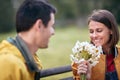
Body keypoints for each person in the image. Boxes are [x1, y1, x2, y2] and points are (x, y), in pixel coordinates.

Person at [0, 0, 56, 80]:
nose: (53, 32)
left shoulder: (29, 60)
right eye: (51, 26)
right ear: (39, 25)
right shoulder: (8, 64)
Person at [72, 9, 120, 80]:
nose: (94, 36)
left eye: (99, 30)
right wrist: (85, 78)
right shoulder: (83, 58)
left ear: (111, 30)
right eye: (91, 31)